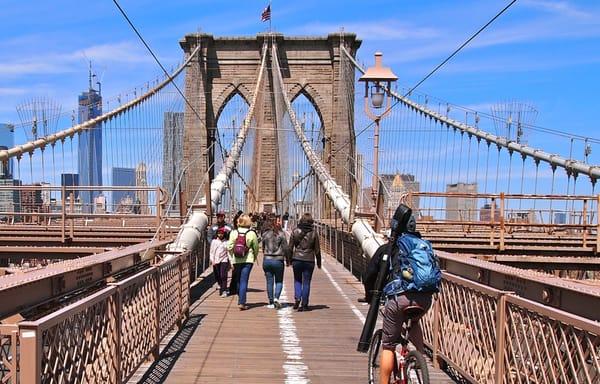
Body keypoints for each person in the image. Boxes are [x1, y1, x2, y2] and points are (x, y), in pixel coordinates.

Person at [374, 204, 439, 384]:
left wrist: (370, 292)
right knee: (415, 320)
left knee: (388, 344)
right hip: (425, 298)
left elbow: (372, 272)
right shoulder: (424, 245)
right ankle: (419, 357)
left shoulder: (393, 246)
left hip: (400, 297)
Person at [290, 213, 321, 311]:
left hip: (297, 259)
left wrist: (289, 259)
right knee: (306, 282)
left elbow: (290, 247)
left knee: (297, 280)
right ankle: (304, 304)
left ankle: (297, 298)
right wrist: (319, 262)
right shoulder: (314, 233)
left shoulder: (295, 231)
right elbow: (317, 250)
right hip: (309, 260)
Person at [227, 214, 259, 310]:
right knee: (244, 280)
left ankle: (239, 296)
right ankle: (242, 302)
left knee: (238, 279)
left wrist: (232, 258)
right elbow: (256, 247)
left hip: (236, 260)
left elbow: (229, 247)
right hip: (248, 259)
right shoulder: (252, 233)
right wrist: (254, 256)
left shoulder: (233, 232)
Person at [262, 219, 289, 309]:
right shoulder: (281, 234)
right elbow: (285, 248)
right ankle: (276, 298)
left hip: (267, 260)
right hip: (278, 260)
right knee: (279, 281)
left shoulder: (265, 234)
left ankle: (270, 300)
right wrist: (288, 260)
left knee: (269, 282)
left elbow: (262, 246)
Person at [210, 227, 230, 297]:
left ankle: (224, 290)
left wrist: (231, 262)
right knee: (217, 275)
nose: (220, 235)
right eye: (219, 233)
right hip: (216, 260)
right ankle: (221, 285)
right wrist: (212, 260)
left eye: (222, 233)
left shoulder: (226, 242)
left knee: (223, 275)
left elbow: (228, 252)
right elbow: (211, 252)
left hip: (224, 260)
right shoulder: (214, 241)